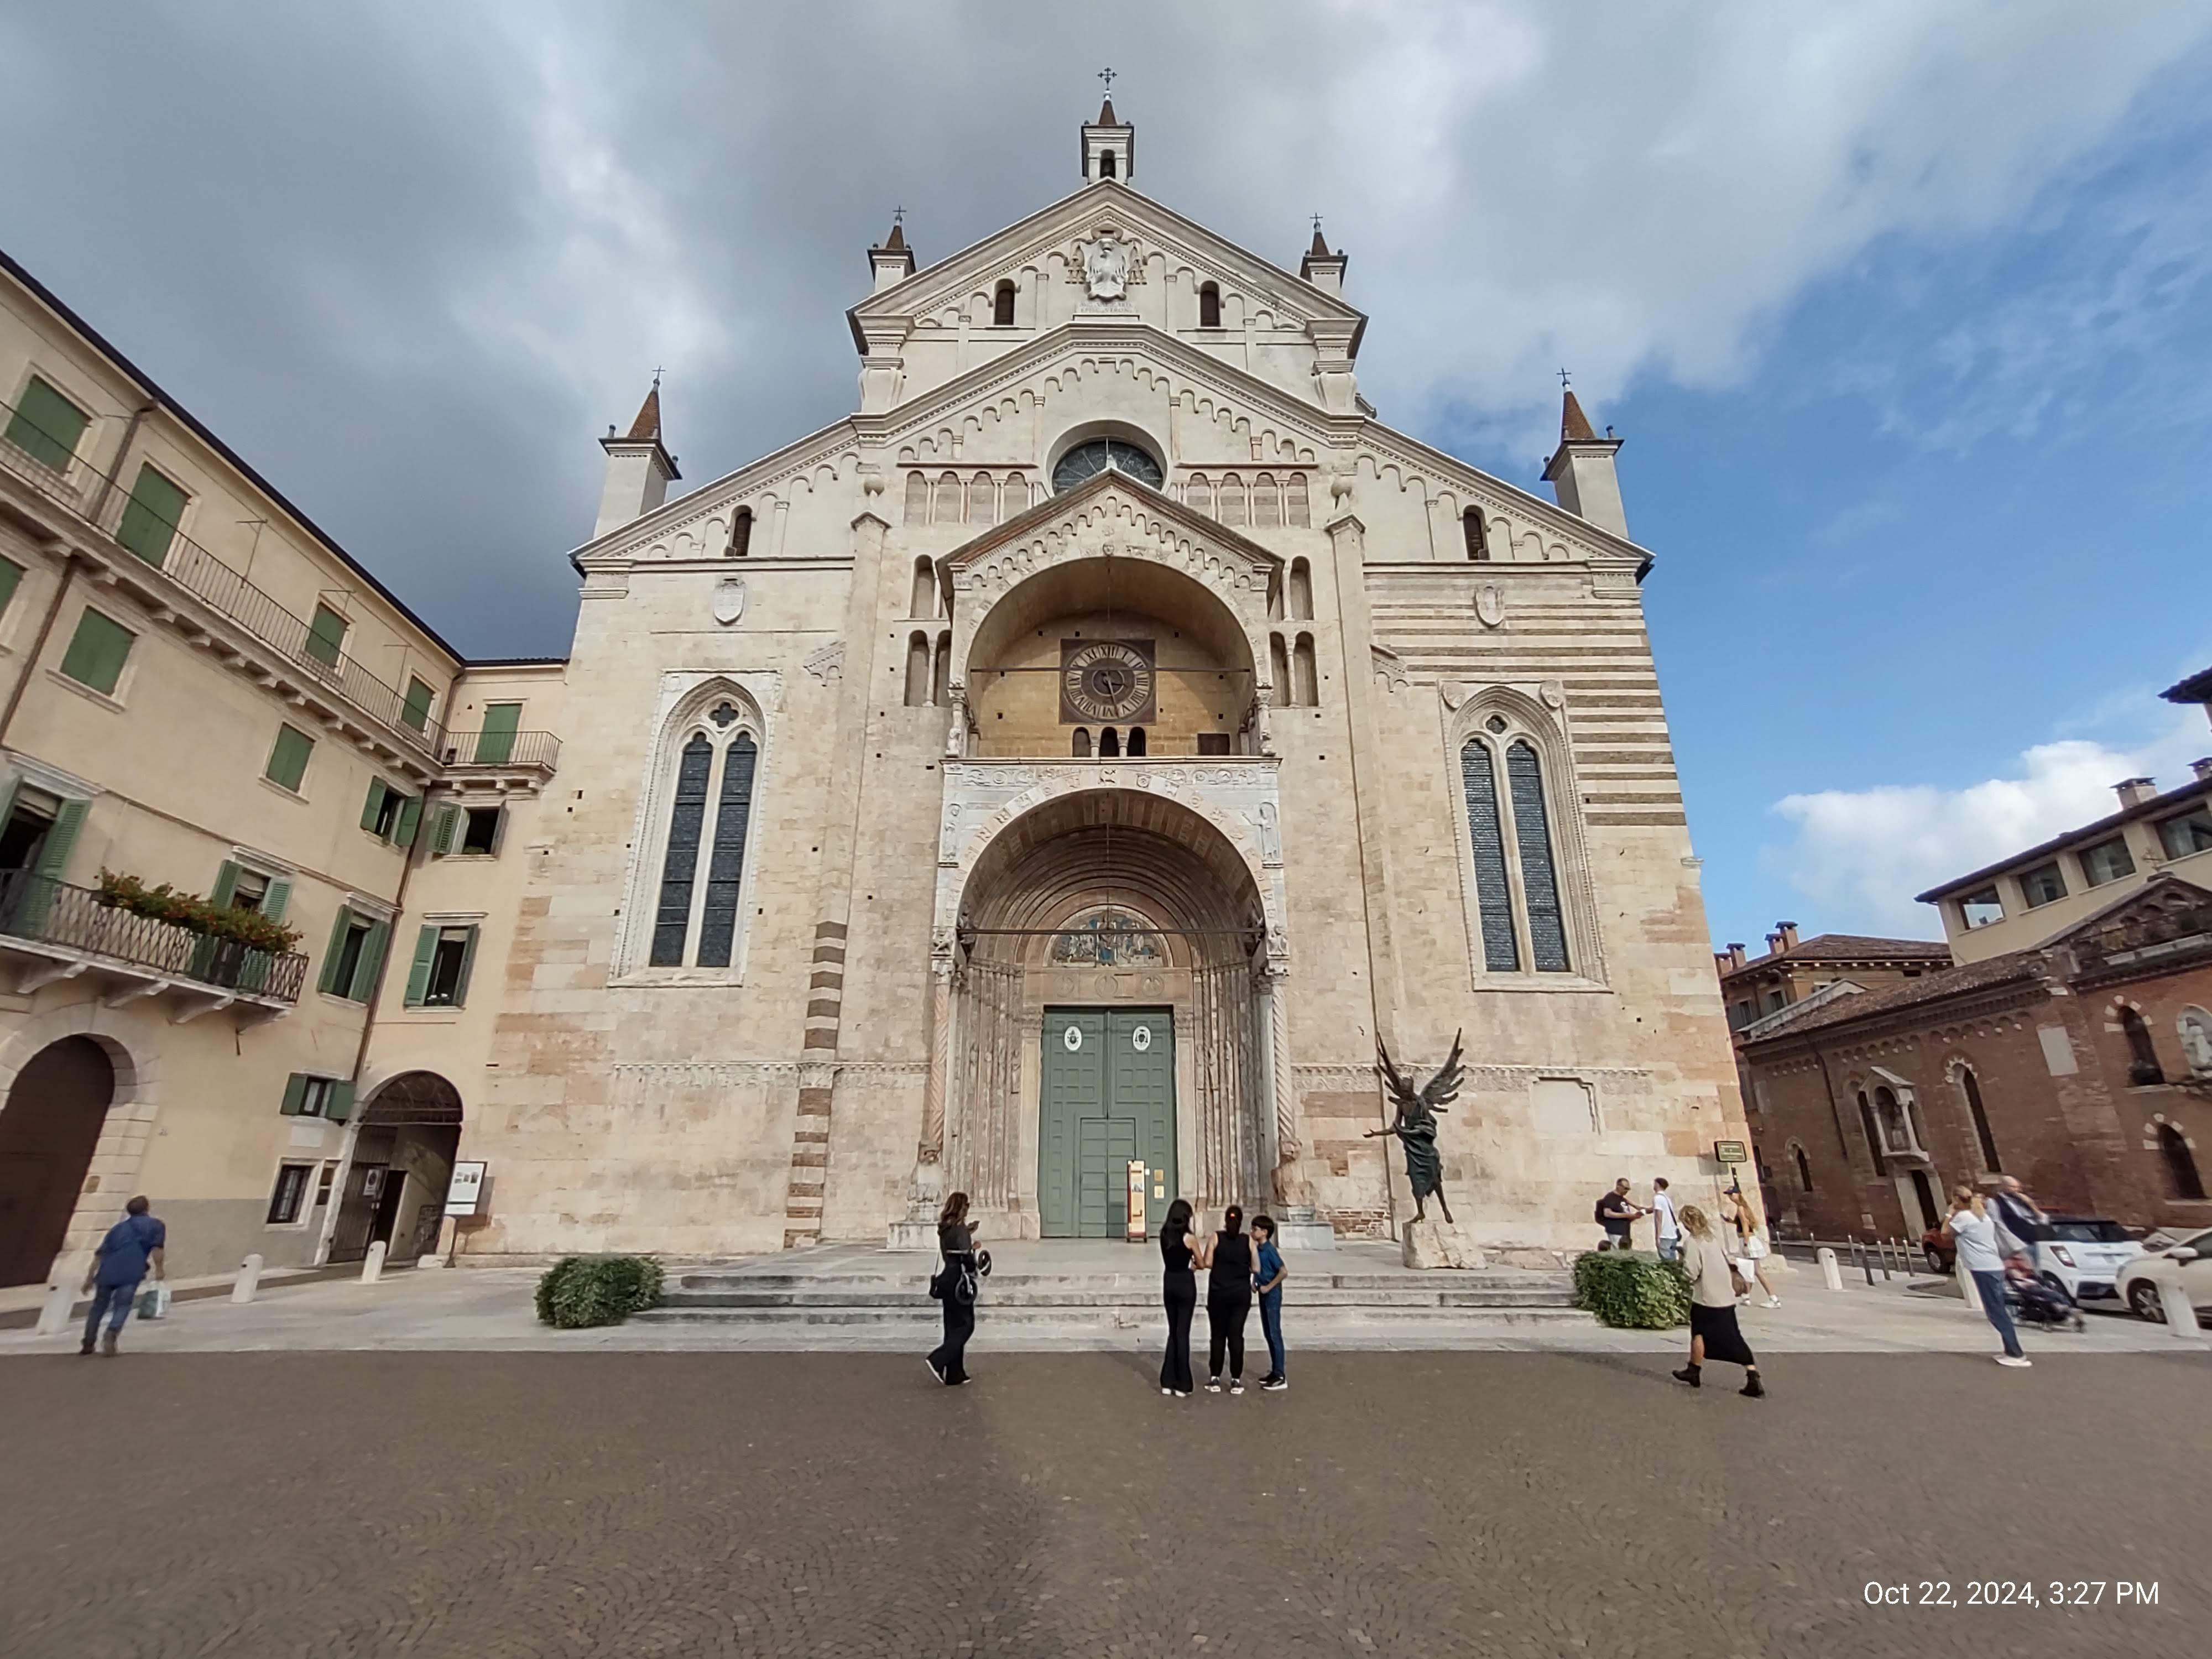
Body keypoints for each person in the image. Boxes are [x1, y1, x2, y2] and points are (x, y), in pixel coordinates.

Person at [1672, 1203, 1765, 1397]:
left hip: (1706, 1298)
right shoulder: (1712, 1239)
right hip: (1725, 1296)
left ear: (1687, 1223)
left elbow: (1691, 1272)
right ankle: (1751, 1372)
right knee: (1733, 1335)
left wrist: (1679, 1271)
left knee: (1698, 1332)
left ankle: (1694, 1371)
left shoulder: (1693, 1242)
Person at [1945, 1185, 2030, 1368]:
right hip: (1994, 1265)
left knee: (1996, 1311)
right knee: (1998, 1307)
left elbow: (1946, 1233)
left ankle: (2015, 1353)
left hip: (1982, 1268)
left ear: (1958, 1200)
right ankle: (2010, 1349)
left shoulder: (1964, 1217)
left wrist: (1949, 1213)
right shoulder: (1983, 1217)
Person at [80, 1195, 165, 1357]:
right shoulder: (156, 1226)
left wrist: (89, 1278)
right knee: (123, 1305)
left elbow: (99, 1254)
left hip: (107, 1271)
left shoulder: (117, 1229)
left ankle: (88, 1342)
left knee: (98, 1307)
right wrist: (159, 1269)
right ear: (147, 1209)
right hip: (131, 1270)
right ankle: (112, 1332)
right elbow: (157, 1249)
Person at [1196, 1202, 1253, 1395]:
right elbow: (1257, 1268)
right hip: (1240, 1294)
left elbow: (1208, 1263)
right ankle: (1236, 1379)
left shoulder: (1216, 1237)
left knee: (1218, 1336)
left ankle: (1215, 1378)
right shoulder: (1248, 1241)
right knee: (1236, 1336)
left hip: (1219, 1293)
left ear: (1225, 1220)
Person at [925, 1191, 980, 1386]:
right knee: (967, 1325)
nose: (969, 1208)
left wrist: (968, 1233)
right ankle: (938, 1359)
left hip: (947, 1278)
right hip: (960, 1281)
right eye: (967, 1204)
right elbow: (966, 1255)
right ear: (962, 1207)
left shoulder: (945, 1228)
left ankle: (955, 1374)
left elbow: (953, 1249)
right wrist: (975, 1266)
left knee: (952, 1327)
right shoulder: (960, 1229)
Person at [1159, 1198, 1197, 1397]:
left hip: (1169, 1282)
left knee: (1173, 1332)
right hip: (1185, 1283)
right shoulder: (1188, 1238)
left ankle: (1167, 1381)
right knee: (1183, 1334)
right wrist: (1193, 1264)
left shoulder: (1164, 1234)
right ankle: (1183, 1383)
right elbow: (1199, 1261)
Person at [1721, 1187, 1781, 1308]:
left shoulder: (1741, 1208)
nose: (1730, 1197)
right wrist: (1731, 1221)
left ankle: (1773, 1298)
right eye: (1729, 1195)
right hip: (1748, 1240)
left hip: (1747, 1240)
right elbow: (1742, 1223)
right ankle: (1746, 1297)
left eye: (1732, 1195)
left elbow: (1745, 1226)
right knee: (1748, 1270)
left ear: (1738, 1195)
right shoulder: (1743, 1208)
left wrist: (1746, 1244)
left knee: (1757, 1272)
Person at [1251, 1213, 1288, 1391]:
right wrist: (1255, 1282)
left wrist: (1269, 1286)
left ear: (1264, 1232)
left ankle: (1280, 1374)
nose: (1252, 1232)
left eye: (1255, 1229)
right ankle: (1275, 1371)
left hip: (1272, 1294)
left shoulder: (1270, 1250)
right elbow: (1258, 1268)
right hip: (1263, 1292)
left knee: (1274, 1333)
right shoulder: (1257, 1249)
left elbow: (1283, 1271)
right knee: (1268, 1332)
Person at [1989, 1176, 2044, 1269]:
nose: (2017, 1190)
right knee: (2021, 1274)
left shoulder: (2023, 1201)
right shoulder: (1994, 1202)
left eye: (2018, 1187)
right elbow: (1998, 1224)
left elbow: (2042, 1220)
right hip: (2014, 1245)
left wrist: (2031, 1205)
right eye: (2013, 1187)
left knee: (2035, 1271)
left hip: (2032, 1242)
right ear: (2003, 1187)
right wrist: (2014, 1244)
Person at [1594, 1178, 1644, 1250]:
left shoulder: (1622, 1199)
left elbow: (1633, 1209)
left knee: (1625, 1250)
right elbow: (1607, 1213)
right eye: (1625, 1188)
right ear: (1618, 1186)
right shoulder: (1610, 1197)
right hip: (1616, 1230)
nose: (1627, 1191)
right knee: (1618, 1250)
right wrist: (1626, 1215)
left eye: (1628, 1189)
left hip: (1624, 1231)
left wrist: (1634, 1216)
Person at [1649, 1177, 1682, 1262]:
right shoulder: (1667, 1198)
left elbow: (1659, 1218)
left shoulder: (1657, 1198)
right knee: (1672, 1259)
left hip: (1664, 1234)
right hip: (1672, 1234)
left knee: (1666, 1261)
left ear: (1658, 1185)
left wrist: (1657, 1237)